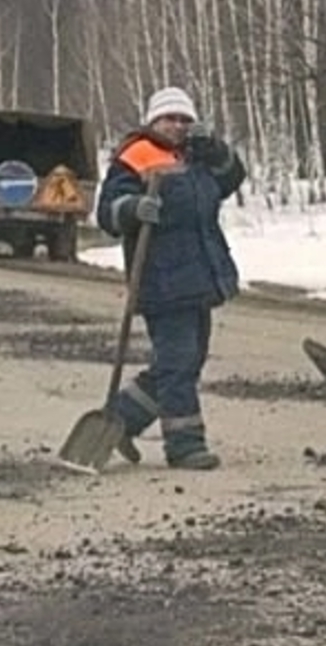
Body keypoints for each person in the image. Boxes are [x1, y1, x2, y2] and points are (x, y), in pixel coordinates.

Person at [95, 84, 247, 470]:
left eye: (184, 119)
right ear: (153, 121)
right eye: (169, 119)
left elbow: (231, 178)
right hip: (162, 280)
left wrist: (215, 147)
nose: (177, 125)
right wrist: (132, 207)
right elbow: (107, 211)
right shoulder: (135, 155)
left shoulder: (196, 155)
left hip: (199, 277)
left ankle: (121, 419)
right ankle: (185, 446)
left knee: (185, 361)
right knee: (178, 364)